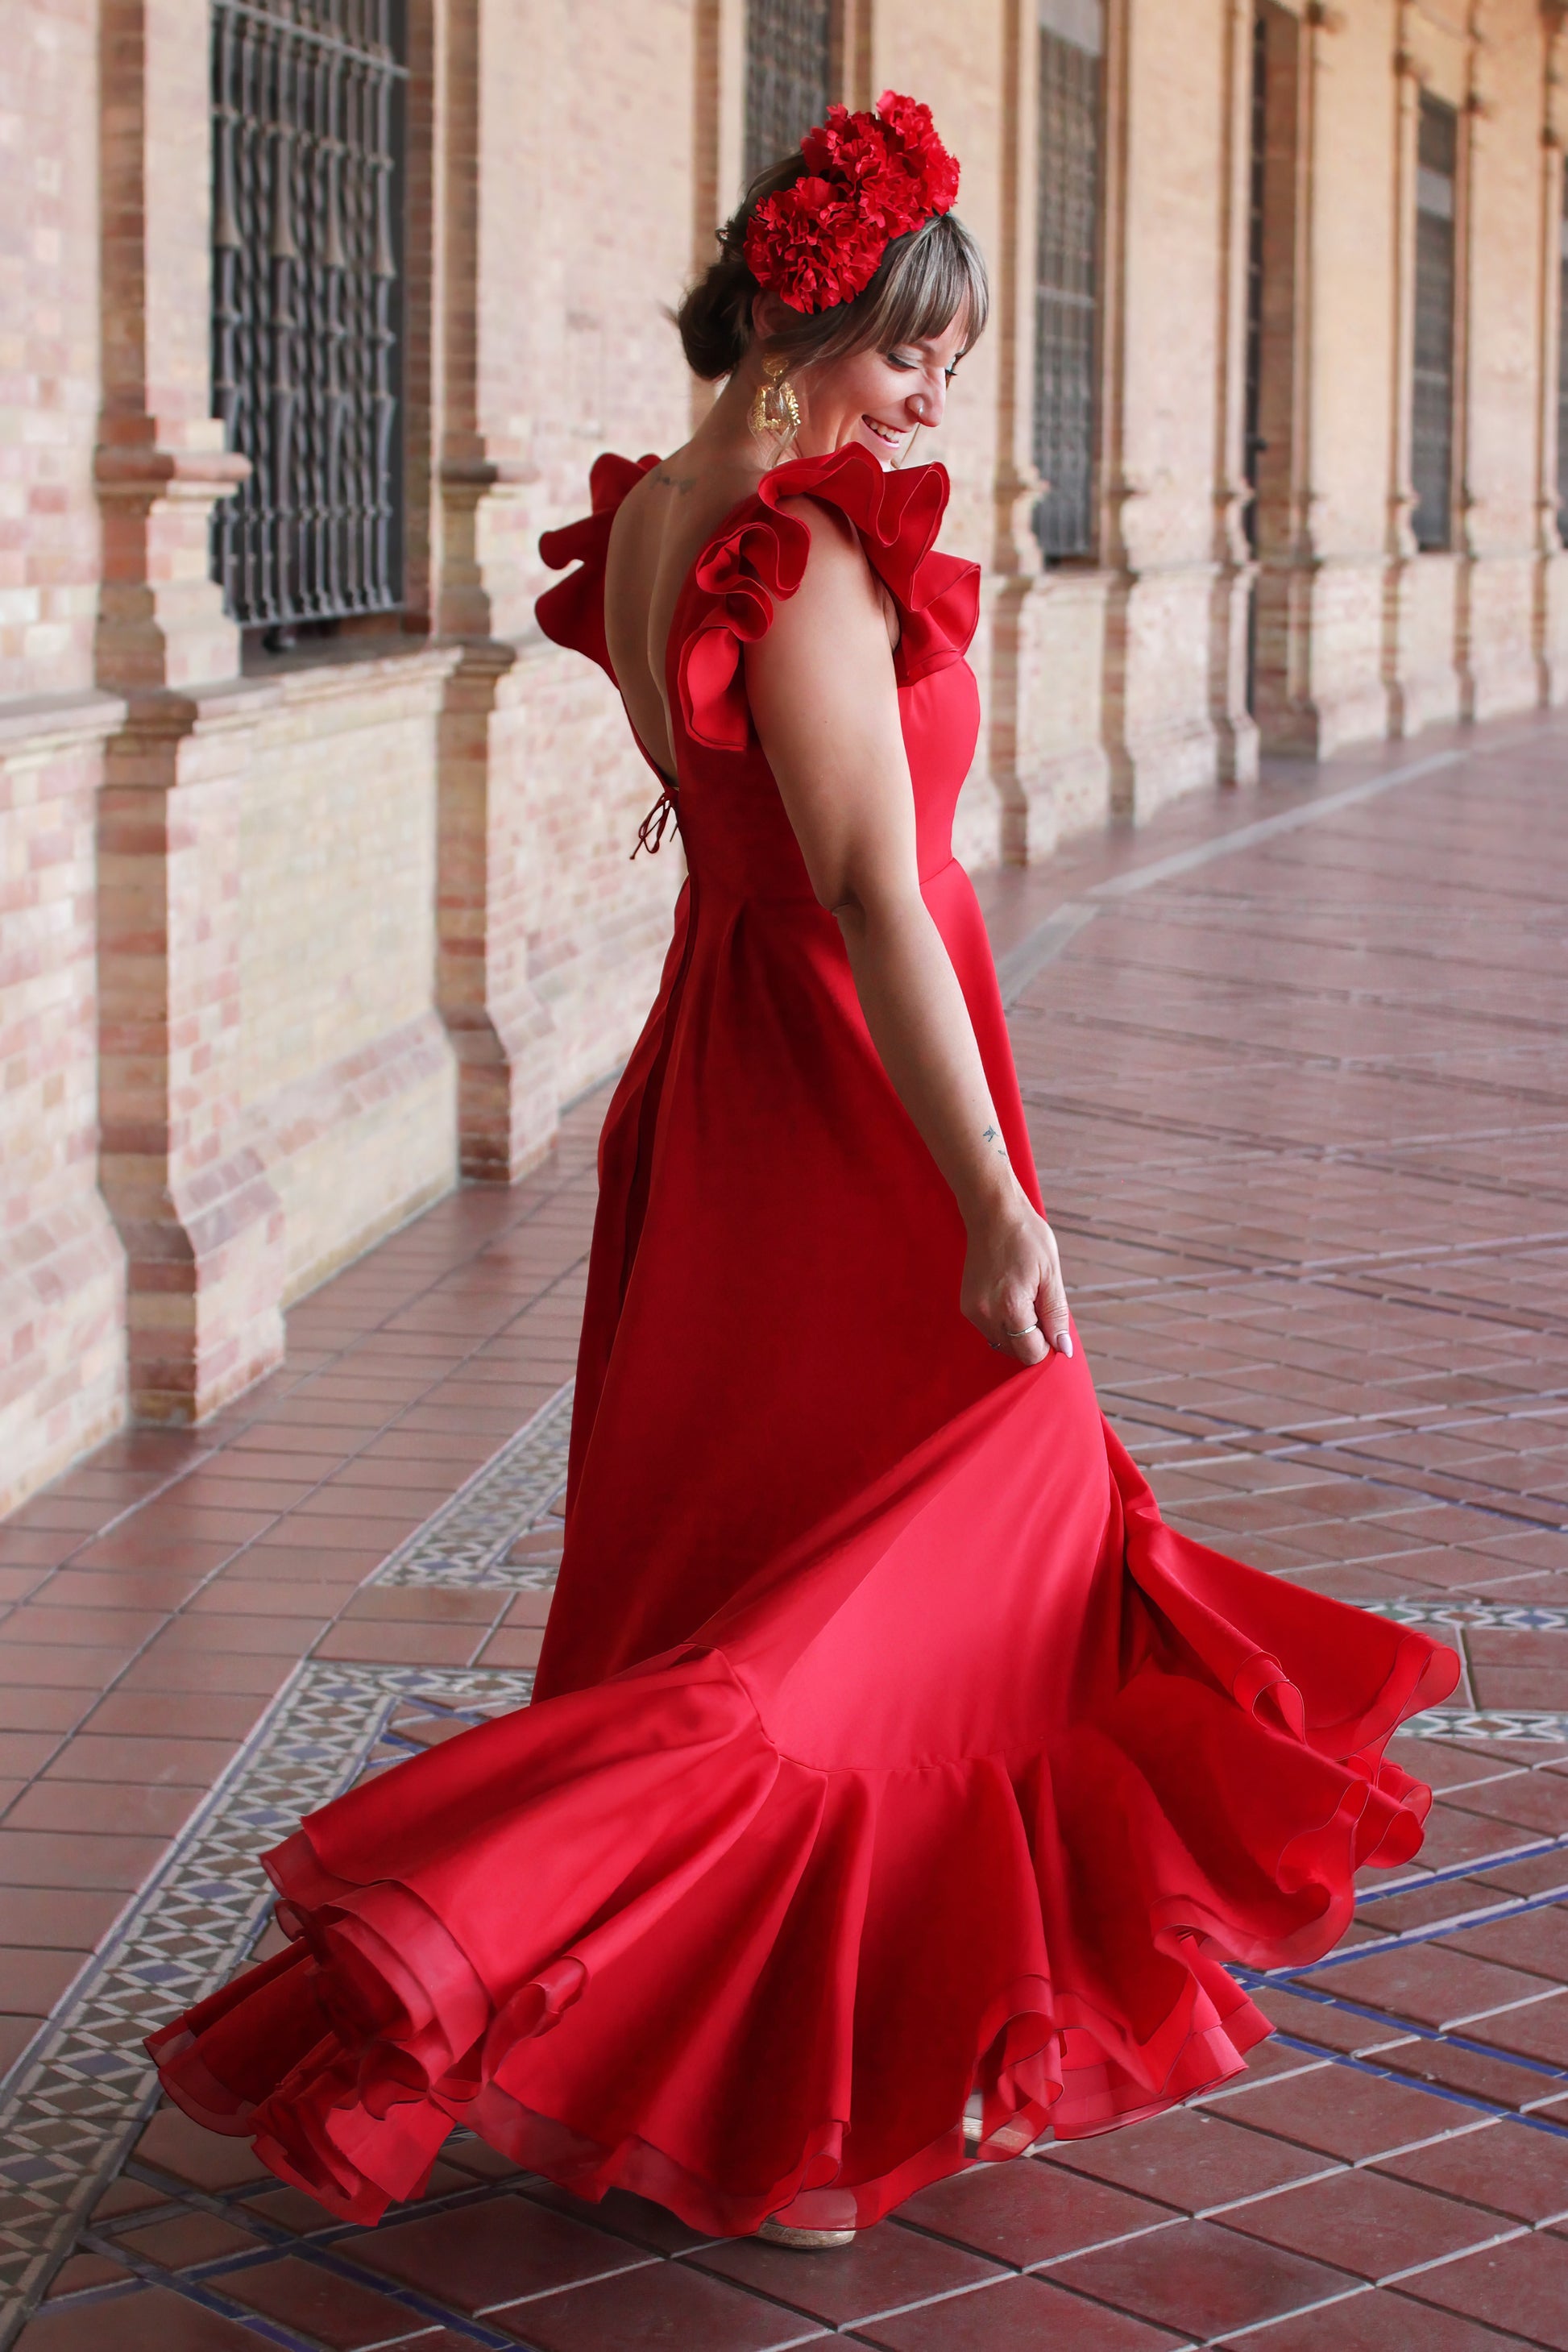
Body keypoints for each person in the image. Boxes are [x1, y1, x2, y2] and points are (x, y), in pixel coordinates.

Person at [147, 92, 1458, 2252]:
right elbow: (867, 882)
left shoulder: (669, 509)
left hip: (730, 1070)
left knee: (749, 1574)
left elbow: (760, 837)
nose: (929, 377)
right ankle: (555, 1996)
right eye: (902, 338)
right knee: (920, 1573)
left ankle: (736, 2058)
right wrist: (990, 1201)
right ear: (794, 306)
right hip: (851, 1089)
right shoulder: (806, 542)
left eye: (945, 342)